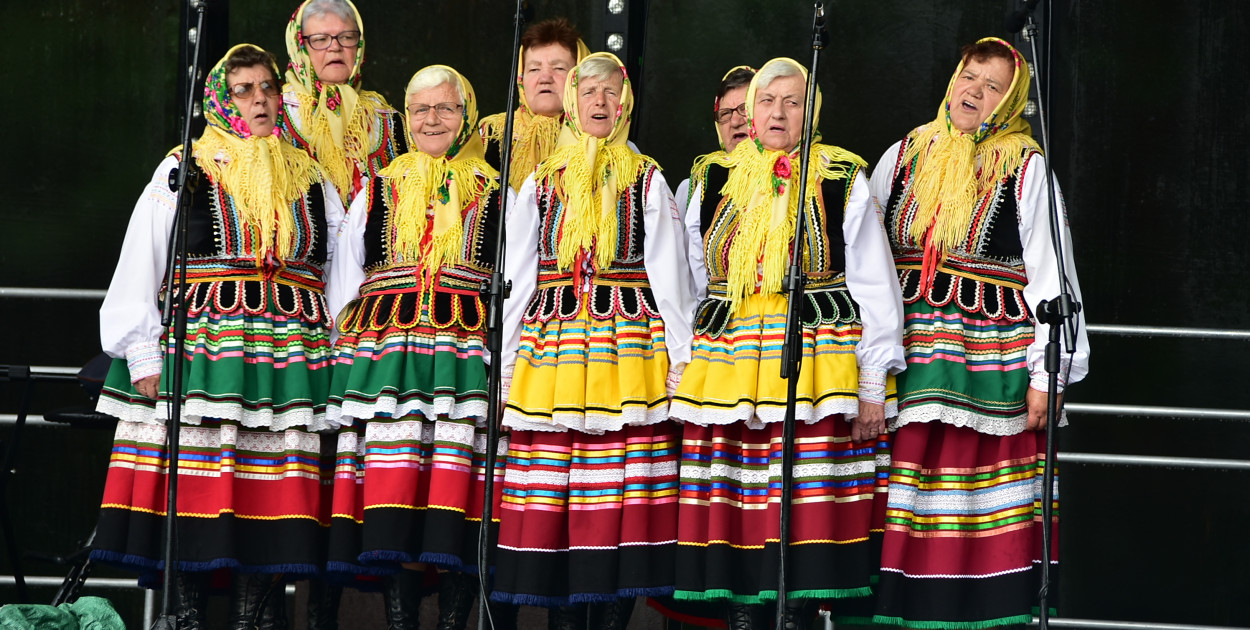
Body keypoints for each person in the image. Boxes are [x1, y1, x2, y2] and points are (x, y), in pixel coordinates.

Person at [91, 43, 345, 629]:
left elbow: (339, 277)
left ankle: (253, 620)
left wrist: (340, 359)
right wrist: (142, 353)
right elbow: (141, 261)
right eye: (244, 90)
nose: (259, 99)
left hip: (290, 360)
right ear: (219, 100)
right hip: (206, 353)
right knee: (197, 494)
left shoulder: (311, 176)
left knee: (273, 501)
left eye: (268, 88)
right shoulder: (187, 164)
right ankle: (184, 619)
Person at [668, 57, 905, 630]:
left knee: (805, 510)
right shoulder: (711, 177)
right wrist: (686, 359)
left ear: (811, 111)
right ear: (750, 110)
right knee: (736, 508)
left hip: (816, 363)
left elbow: (875, 282)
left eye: (792, 102)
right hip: (728, 361)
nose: (777, 113)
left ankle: (796, 617)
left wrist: (873, 382)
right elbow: (694, 278)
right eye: (767, 102)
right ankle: (745, 620)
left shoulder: (842, 175)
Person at [867, 37, 1089, 629]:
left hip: (987, 370)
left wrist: (1051, 375)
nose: (975, 92)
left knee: (972, 510)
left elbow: (1054, 277)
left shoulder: (1026, 166)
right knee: (900, 499)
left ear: (1010, 103)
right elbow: (866, 266)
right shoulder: (904, 153)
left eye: (993, 87)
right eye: (970, 76)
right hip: (909, 361)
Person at [491, 52, 695, 630]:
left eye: (611, 92)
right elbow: (519, 278)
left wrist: (681, 362)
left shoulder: (647, 177)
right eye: (589, 92)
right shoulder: (540, 180)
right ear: (572, 102)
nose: (600, 102)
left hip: (628, 352)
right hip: (551, 353)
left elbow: (670, 278)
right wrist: (505, 369)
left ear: (625, 103)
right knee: (559, 502)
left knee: (622, 503)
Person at [322, 64, 512, 630]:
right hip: (390, 366)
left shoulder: (500, 193)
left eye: (446, 108)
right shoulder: (376, 189)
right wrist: (340, 362)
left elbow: (515, 285)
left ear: (467, 115)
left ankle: (454, 624)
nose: (433, 120)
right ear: (406, 120)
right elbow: (344, 282)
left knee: (457, 494)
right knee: (396, 490)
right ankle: (401, 621)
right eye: (421, 109)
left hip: (464, 363)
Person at [283, 0, 407, 205]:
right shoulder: (275, 115)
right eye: (320, 39)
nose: (335, 47)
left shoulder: (389, 120)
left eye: (347, 37)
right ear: (298, 47)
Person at [479, 17, 590, 191]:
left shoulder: (599, 135)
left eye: (559, 68)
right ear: (521, 79)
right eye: (534, 69)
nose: (545, 78)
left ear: (581, 78)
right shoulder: (491, 136)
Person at [672, 66, 755, 222]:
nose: (735, 122)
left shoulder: (796, 177)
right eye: (725, 113)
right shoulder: (696, 186)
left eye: (745, 109)